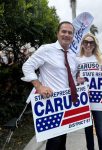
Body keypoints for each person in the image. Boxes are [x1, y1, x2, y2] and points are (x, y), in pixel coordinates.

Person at [21, 21, 78, 150]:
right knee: (54, 141)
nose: (66, 35)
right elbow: (27, 66)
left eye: (70, 33)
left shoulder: (73, 55)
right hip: (51, 104)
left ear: (73, 36)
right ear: (57, 33)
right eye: (64, 31)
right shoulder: (46, 49)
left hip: (66, 104)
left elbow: (71, 77)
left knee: (62, 140)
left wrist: (78, 82)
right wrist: (39, 86)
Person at [77, 33, 102, 150]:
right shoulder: (77, 59)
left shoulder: (100, 59)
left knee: (101, 133)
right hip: (84, 101)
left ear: (94, 45)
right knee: (88, 133)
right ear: (82, 44)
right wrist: (77, 80)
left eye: (91, 42)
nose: (88, 44)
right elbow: (73, 79)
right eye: (86, 42)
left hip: (99, 100)